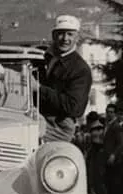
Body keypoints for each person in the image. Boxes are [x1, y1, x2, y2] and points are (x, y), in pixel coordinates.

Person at [37, 14, 92, 143]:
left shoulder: (80, 69)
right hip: (36, 118)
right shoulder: (42, 57)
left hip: (58, 127)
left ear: (77, 37)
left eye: (70, 34)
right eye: (60, 33)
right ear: (53, 36)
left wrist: (39, 89)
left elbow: (74, 107)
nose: (65, 38)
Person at [102, 102, 123, 194]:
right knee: (110, 181)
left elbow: (121, 143)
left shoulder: (116, 126)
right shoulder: (108, 125)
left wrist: (113, 154)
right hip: (108, 156)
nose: (109, 114)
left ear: (115, 114)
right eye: (108, 112)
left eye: (111, 112)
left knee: (115, 181)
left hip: (115, 158)